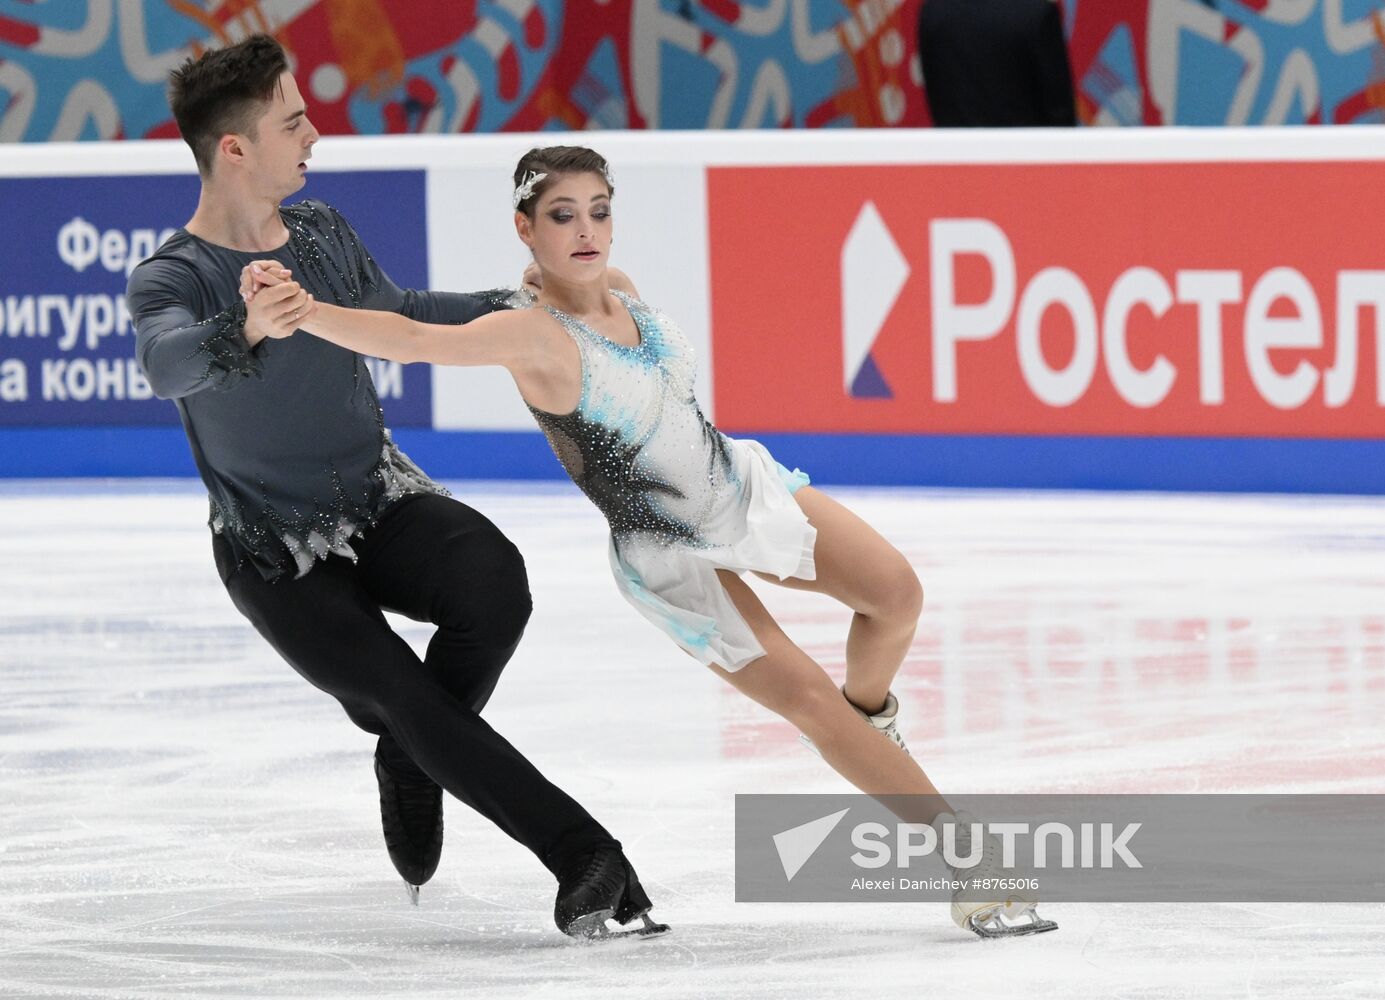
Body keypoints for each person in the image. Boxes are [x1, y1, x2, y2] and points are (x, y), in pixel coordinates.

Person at [243, 145, 1058, 939]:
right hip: (666, 554)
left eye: (598, 211)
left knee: (895, 598)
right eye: (561, 215)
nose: (586, 229)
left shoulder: (624, 294)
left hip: (739, 490)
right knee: (809, 701)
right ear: (525, 227)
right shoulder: (529, 334)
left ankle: (870, 724)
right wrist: (307, 314)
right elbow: (416, 341)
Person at [125, 38, 664, 941]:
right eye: (293, 122)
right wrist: (246, 324)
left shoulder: (324, 232)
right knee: (403, 695)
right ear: (235, 149)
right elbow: (166, 364)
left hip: (377, 500)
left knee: (495, 582)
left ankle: (414, 761)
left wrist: (524, 306)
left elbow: (402, 313)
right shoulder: (172, 276)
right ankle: (583, 855)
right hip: (273, 553)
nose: (315, 134)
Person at [917, 0, 1078, 127]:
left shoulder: (932, 12)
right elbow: (1060, 113)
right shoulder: (1037, 14)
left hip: (954, 159)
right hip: (1027, 159)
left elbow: (936, 96)